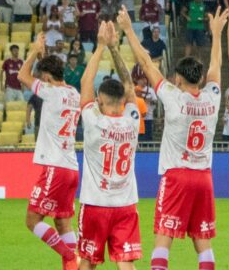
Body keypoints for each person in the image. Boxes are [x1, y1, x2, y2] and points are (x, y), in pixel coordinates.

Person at [125, 0, 220, 270]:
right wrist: (217, 33)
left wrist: (129, 30)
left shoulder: (172, 97)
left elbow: (145, 61)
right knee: (203, 243)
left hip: (177, 175)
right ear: (201, 80)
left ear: (178, 79)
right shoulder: (213, 97)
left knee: (163, 239)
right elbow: (216, 63)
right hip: (203, 177)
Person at [77, 21, 143, 270]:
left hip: (95, 203)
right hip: (125, 204)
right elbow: (128, 86)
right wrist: (115, 48)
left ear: (101, 100)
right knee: (125, 263)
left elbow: (85, 82)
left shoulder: (94, 121)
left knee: (87, 261)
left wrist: (101, 46)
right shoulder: (132, 121)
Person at [17, 32, 82, 270]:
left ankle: (68, 256)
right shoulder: (74, 93)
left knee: (32, 220)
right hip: (72, 167)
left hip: (55, 167)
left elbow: (22, 75)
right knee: (63, 223)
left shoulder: (50, 92)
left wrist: (35, 50)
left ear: (45, 77)